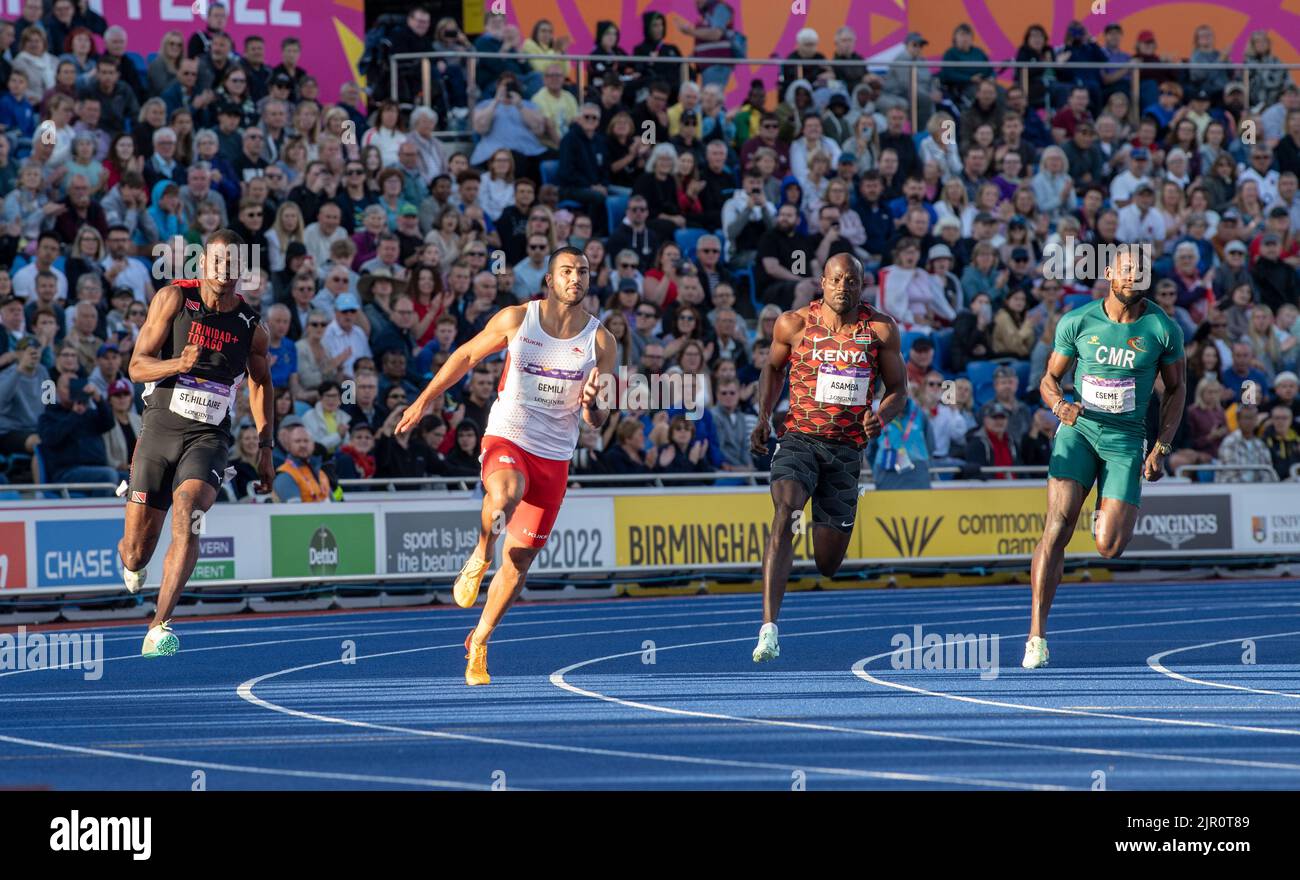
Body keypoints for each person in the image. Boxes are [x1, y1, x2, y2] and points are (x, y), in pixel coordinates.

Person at [396, 247, 617, 686]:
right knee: (506, 492)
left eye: (584, 272)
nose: (576, 278)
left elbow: (601, 416)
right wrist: (423, 401)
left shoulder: (601, 341)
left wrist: (594, 405)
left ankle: (478, 641)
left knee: (519, 562)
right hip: (509, 434)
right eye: (567, 271)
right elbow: (465, 357)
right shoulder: (518, 319)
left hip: (555, 456)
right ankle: (479, 555)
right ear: (550, 281)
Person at [117, 230, 275, 658]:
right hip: (159, 430)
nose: (224, 271)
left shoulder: (251, 327)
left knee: (188, 512)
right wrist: (177, 362)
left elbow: (261, 383)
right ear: (202, 265)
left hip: (208, 437)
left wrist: (265, 447)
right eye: (217, 262)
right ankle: (134, 564)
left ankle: (159, 624)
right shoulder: (172, 299)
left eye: (233, 265)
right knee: (135, 552)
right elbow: (135, 366)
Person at [1024, 251, 1186, 669]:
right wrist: (1060, 407)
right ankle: (1037, 637)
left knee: (1109, 546)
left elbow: (1177, 390)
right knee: (1057, 527)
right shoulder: (1078, 321)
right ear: (1110, 273)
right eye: (1127, 269)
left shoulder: (1162, 329)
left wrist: (1161, 447)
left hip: (1126, 438)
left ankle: (1108, 500)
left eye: (1142, 271)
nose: (1135, 277)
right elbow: (1048, 380)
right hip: (1078, 431)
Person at [748, 253, 906, 662]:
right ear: (823, 281)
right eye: (836, 280)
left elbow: (898, 390)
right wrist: (764, 417)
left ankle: (834, 515)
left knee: (828, 563)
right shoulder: (794, 323)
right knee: (785, 512)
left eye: (851, 281)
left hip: (846, 450)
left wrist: (881, 416)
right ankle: (768, 628)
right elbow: (772, 369)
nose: (843, 287)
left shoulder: (881, 329)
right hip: (798, 439)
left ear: (861, 284)